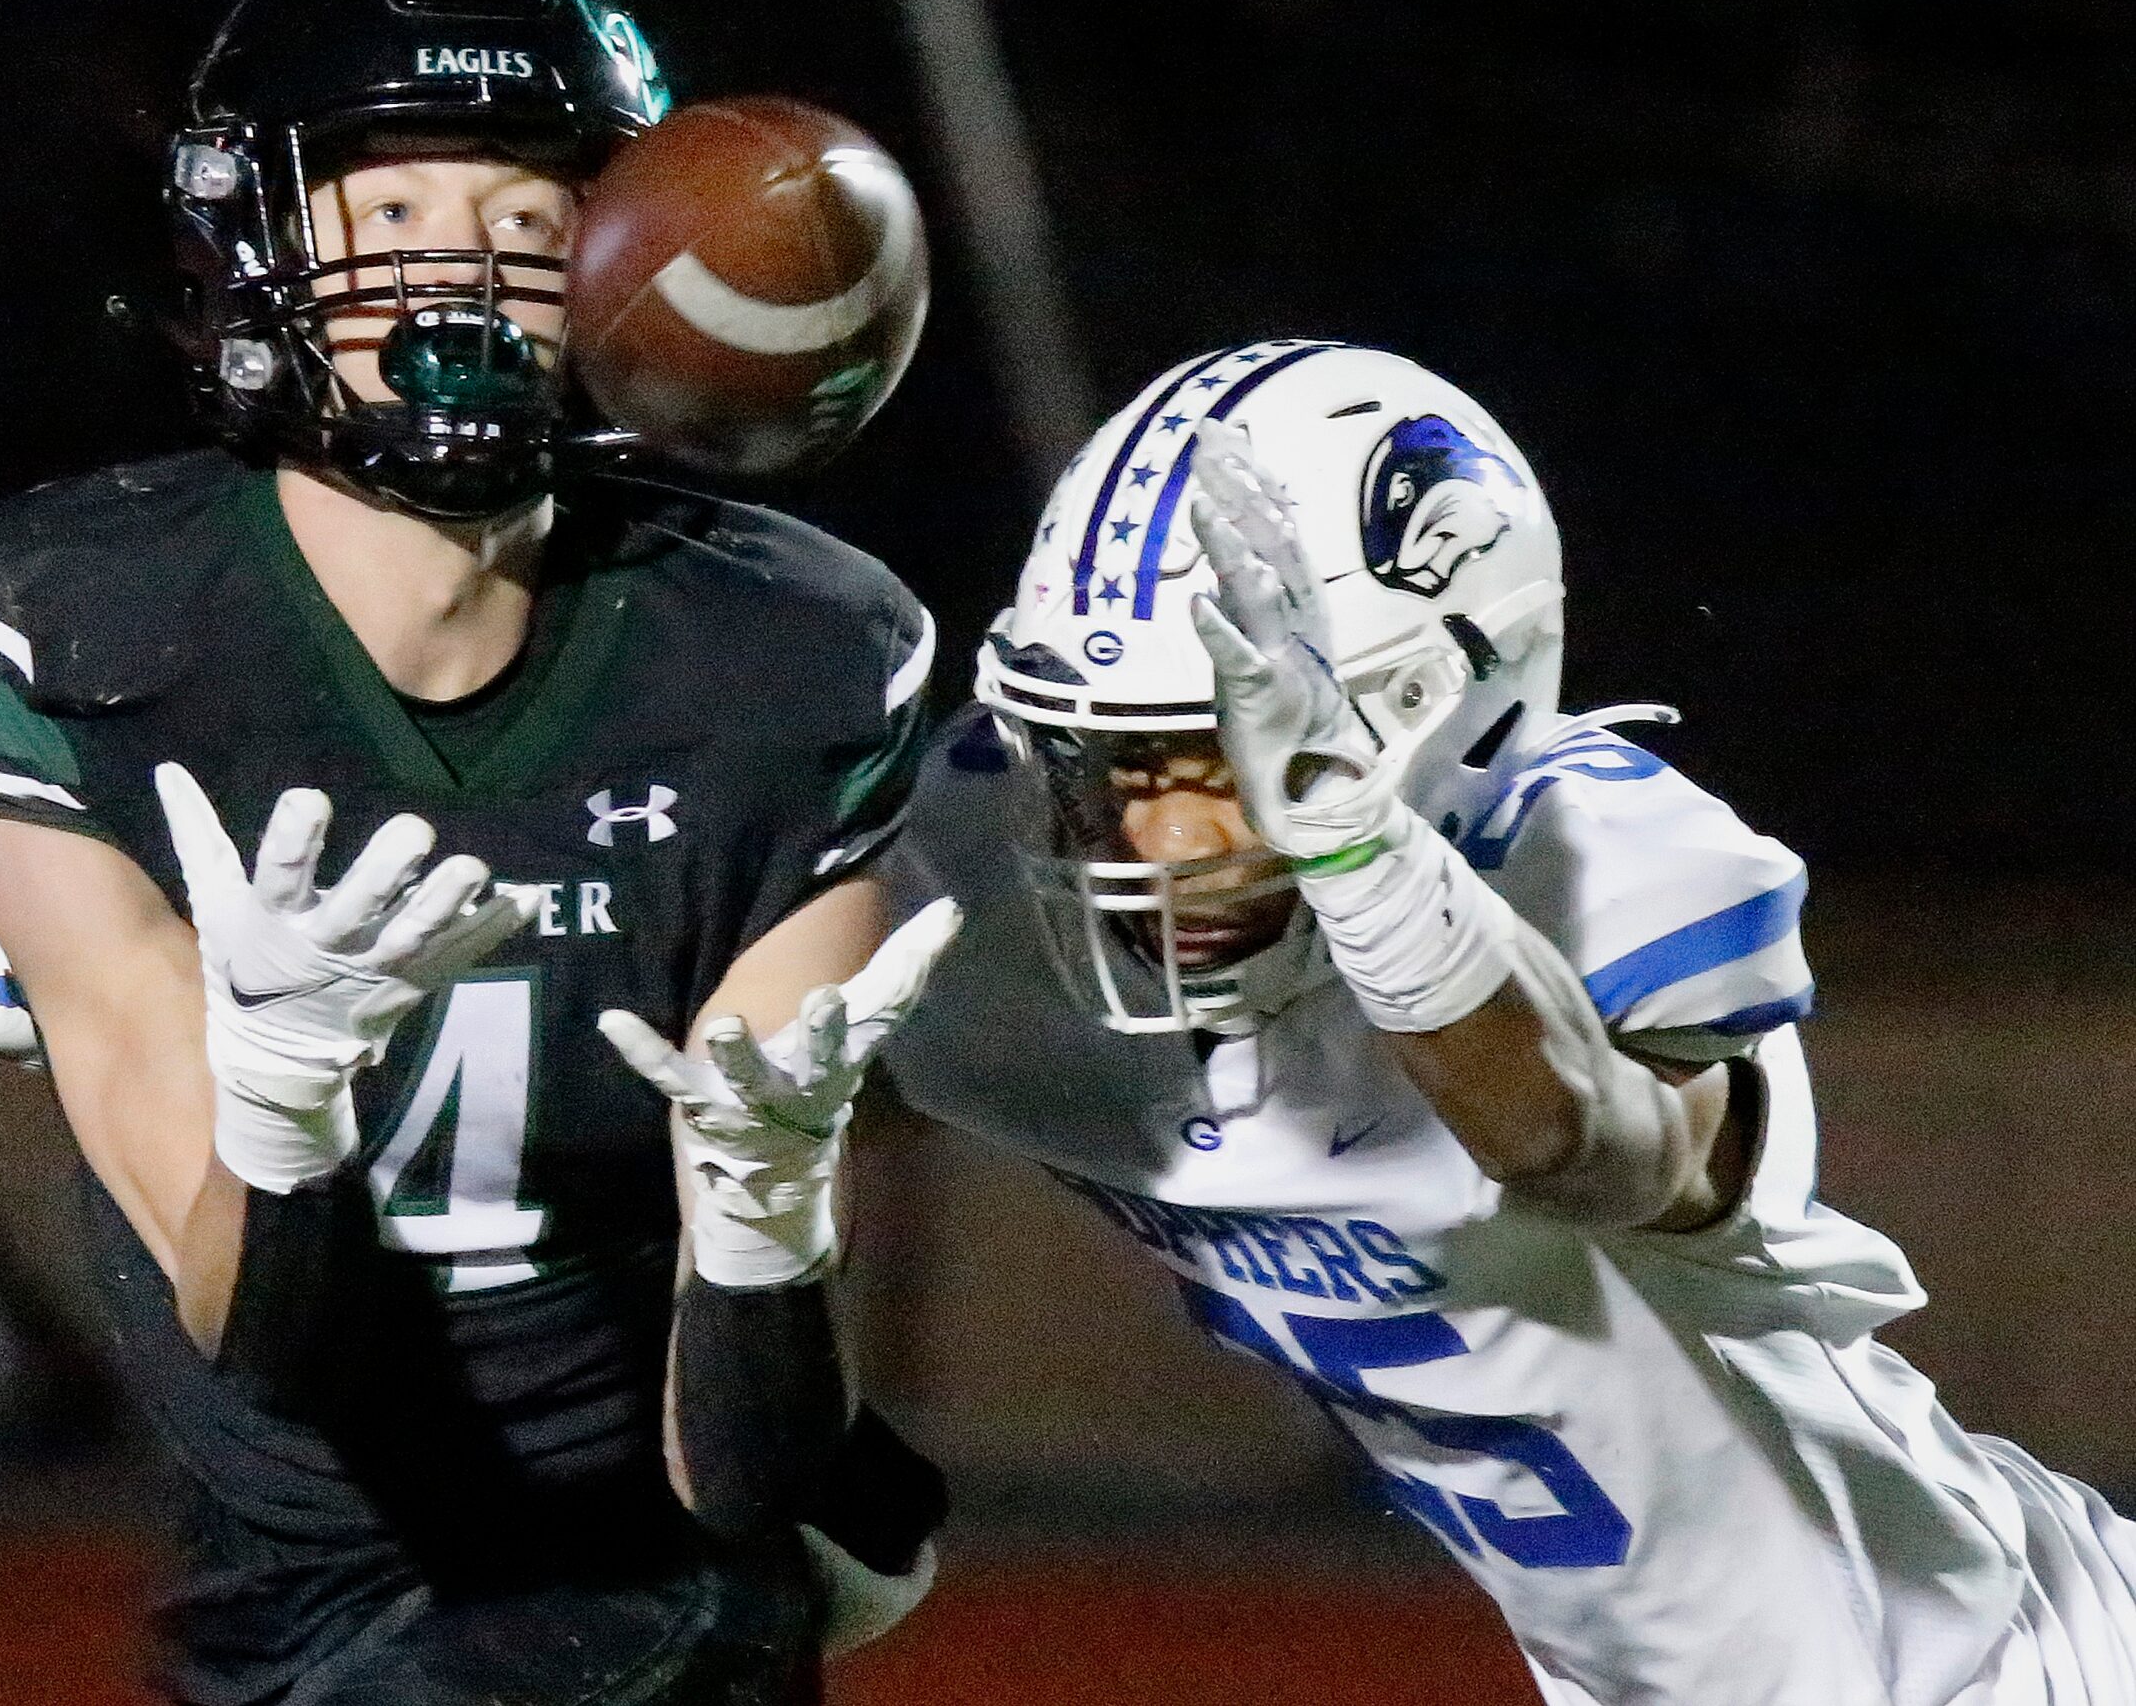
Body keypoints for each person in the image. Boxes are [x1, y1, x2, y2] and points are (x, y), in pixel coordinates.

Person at [0, 0, 952, 1706]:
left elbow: (750, 1473)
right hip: (284, 1576)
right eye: (387, 215)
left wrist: (767, 1219)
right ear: (253, 243)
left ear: (627, 258)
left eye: (526, 222)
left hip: (635, 1578)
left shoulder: (791, 656)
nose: (454, 279)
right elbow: (264, 1335)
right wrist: (274, 1086)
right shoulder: (64, 619)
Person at [888, 337, 2136, 1704]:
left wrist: (1364, 858)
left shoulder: (1599, 861)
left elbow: (1600, 1149)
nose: (1161, 838)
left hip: (2011, 1667)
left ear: (1417, 708)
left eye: (1227, 756)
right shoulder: (989, 901)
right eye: (1121, 760)